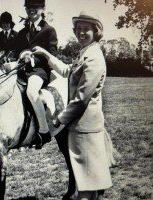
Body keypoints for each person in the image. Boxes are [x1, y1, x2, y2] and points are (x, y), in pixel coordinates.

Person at [33, 11, 114, 200]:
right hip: (82, 126)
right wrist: (45, 54)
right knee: (89, 184)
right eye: (78, 29)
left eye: (86, 29)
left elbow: (81, 98)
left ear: (96, 32)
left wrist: (58, 120)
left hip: (85, 128)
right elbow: (67, 71)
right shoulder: (86, 53)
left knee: (85, 186)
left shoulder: (94, 58)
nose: (81, 33)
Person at [14, 0, 58, 149]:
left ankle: (44, 131)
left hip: (39, 71)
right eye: (28, 7)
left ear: (42, 9)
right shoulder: (22, 32)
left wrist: (34, 59)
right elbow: (16, 53)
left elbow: (52, 54)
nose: (31, 10)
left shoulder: (48, 30)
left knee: (32, 92)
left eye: (35, 7)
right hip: (21, 71)